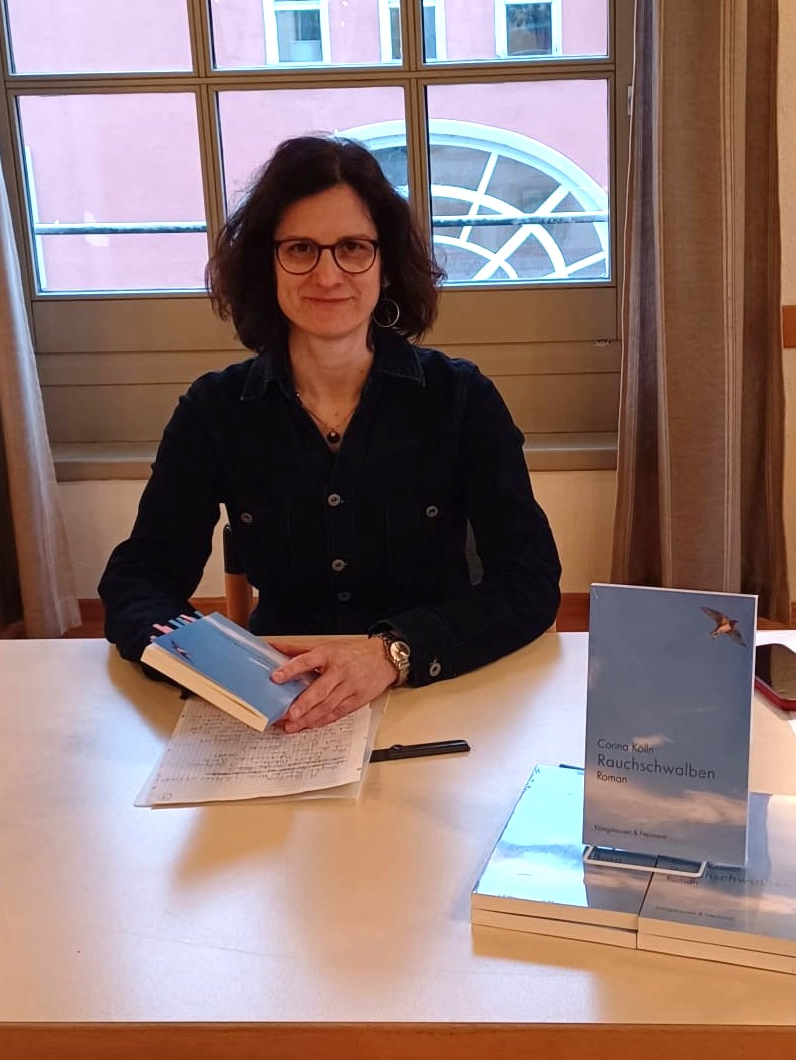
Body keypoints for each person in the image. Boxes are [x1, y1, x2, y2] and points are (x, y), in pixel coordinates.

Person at [100, 135, 561, 733]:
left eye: (353, 248)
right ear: (267, 265)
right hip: (277, 696)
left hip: (432, 687)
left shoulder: (462, 399)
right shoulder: (213, 409)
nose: (327, 274)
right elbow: (139, 582)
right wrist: (208, 664)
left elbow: (529, 582)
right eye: (299, 248)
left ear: (386, 263)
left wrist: (393, 654)